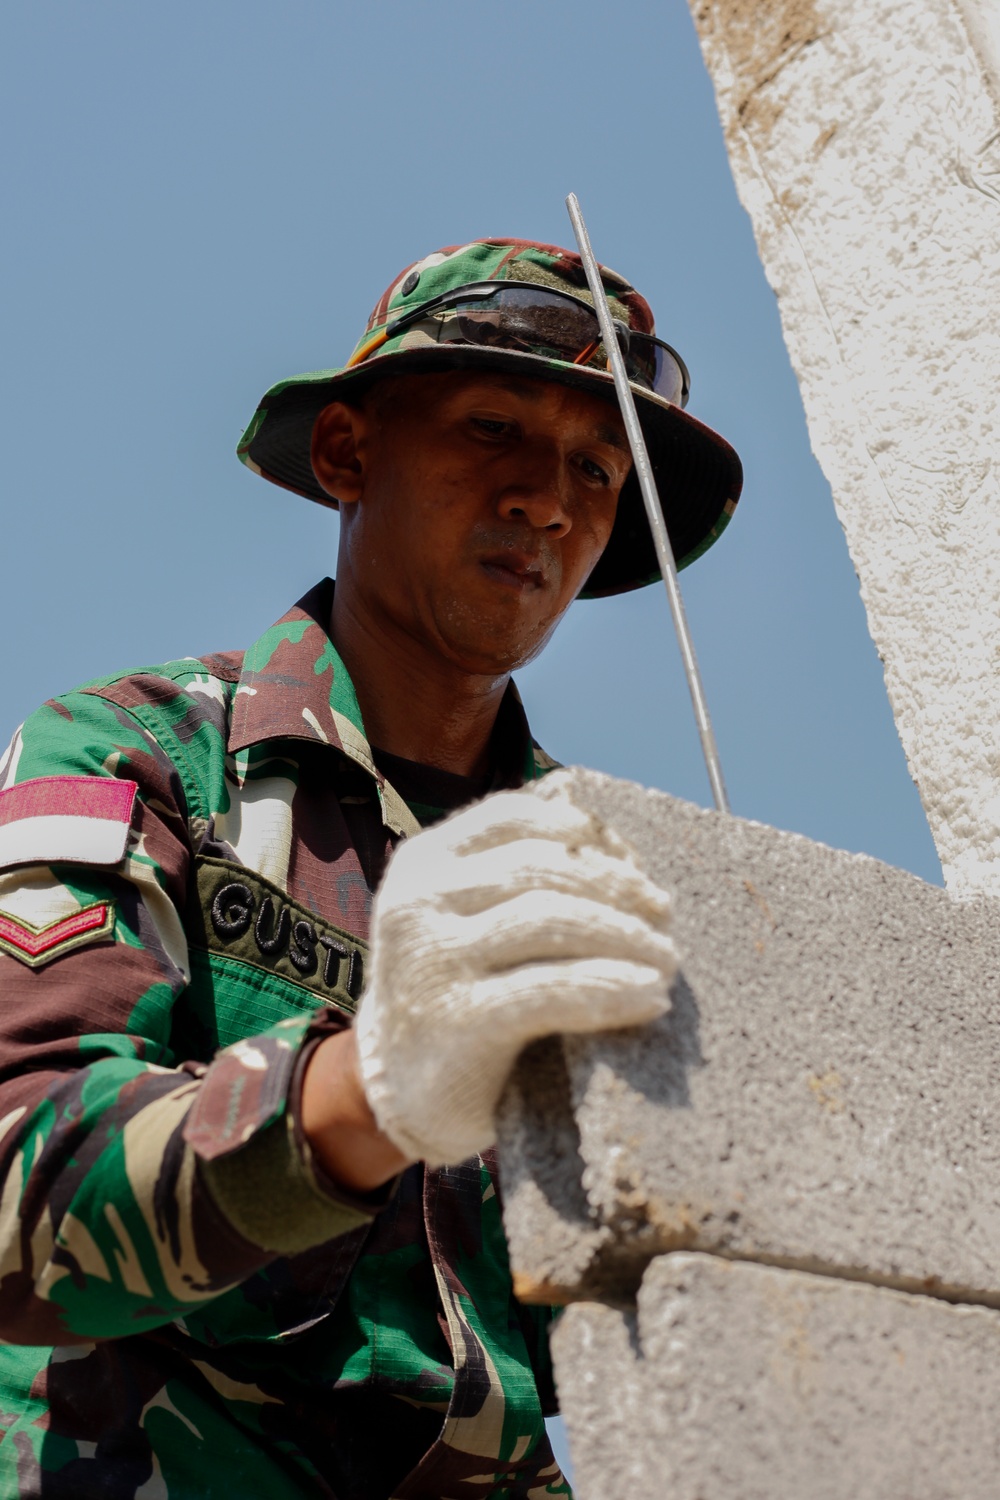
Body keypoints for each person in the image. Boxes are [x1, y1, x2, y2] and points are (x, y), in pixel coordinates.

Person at [0, 237, 742, 1498]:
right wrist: (374, 1089)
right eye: (493, 427)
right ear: (347, 453)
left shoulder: (592, 884)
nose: (548, 501)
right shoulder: (145, 757)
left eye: (595, 470)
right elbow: (22, 1205)